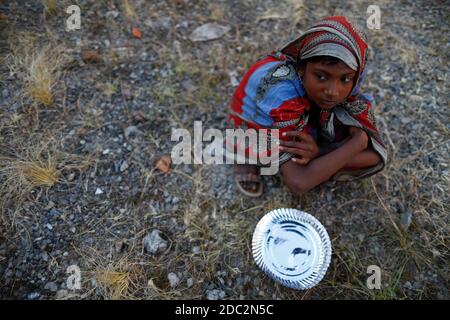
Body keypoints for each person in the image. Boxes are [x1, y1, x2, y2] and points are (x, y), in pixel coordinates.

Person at [228, 16, 387, 197]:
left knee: (373, 156)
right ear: (302, 68)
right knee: (343, 149)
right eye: (321, 76)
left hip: (306, 104)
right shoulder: (282, 97)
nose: (333, 92)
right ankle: (244, 156)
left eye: (345, 79)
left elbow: (375, 155)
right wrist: (357, 143)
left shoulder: (337, 90)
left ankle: (318, 160)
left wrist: (318, 153)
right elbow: (298, 183)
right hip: (260, 124)